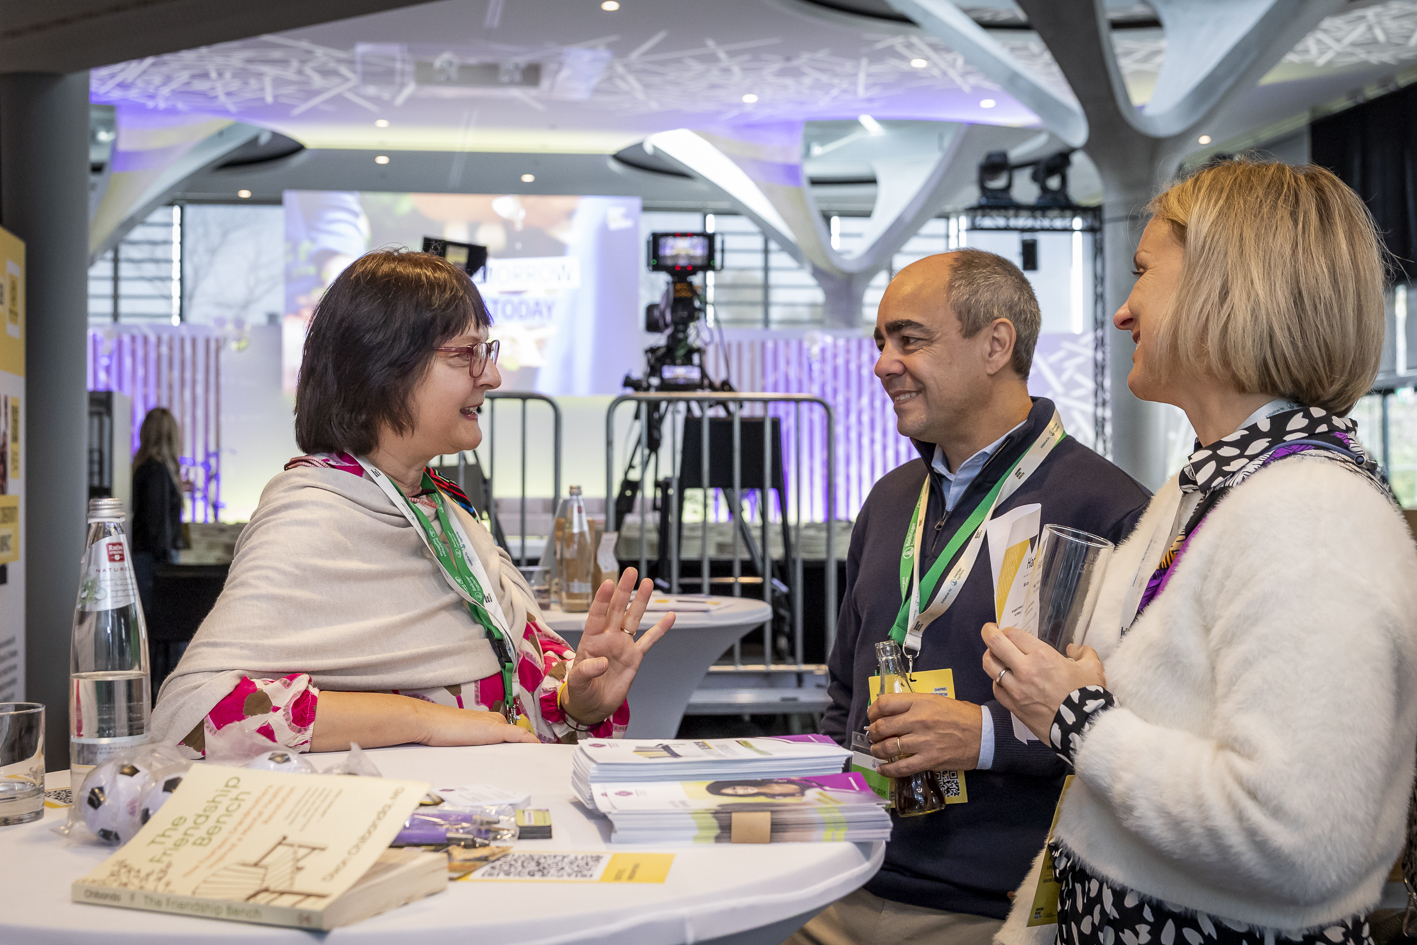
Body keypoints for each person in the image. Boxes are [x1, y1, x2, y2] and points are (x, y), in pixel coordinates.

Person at [984, 159, 1417, 945]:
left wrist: (1076, 716)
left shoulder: (1309, 512)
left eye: (1143, 271)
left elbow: (1297, 840)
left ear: (1225, 288)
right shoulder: (1209, 487)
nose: (1122, 311)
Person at [152, 249, 674, 757]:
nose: (491, 376)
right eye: (466, 354)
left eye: (486, 352)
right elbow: (193, 716)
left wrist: (579, 701)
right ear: (382, 369)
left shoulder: (446, 511)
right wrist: (421, 721)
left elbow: (516, 689)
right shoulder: (314, 513)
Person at [793, 250, 1151, 945]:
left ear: (995, 345)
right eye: (880, 342)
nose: (883, 364)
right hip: (843, 876)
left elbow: (1134, 732)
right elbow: (845, 694)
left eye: (909, 339)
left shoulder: (1111, 511)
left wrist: (984, 738)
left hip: (992, 908)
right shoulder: (891, 500)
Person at [131, 407, 188, 616]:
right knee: (159, 621)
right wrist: (167, 564)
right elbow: (157, 523)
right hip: (155, 561)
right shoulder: (157, 470)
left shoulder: (144, 468)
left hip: (145, 556)